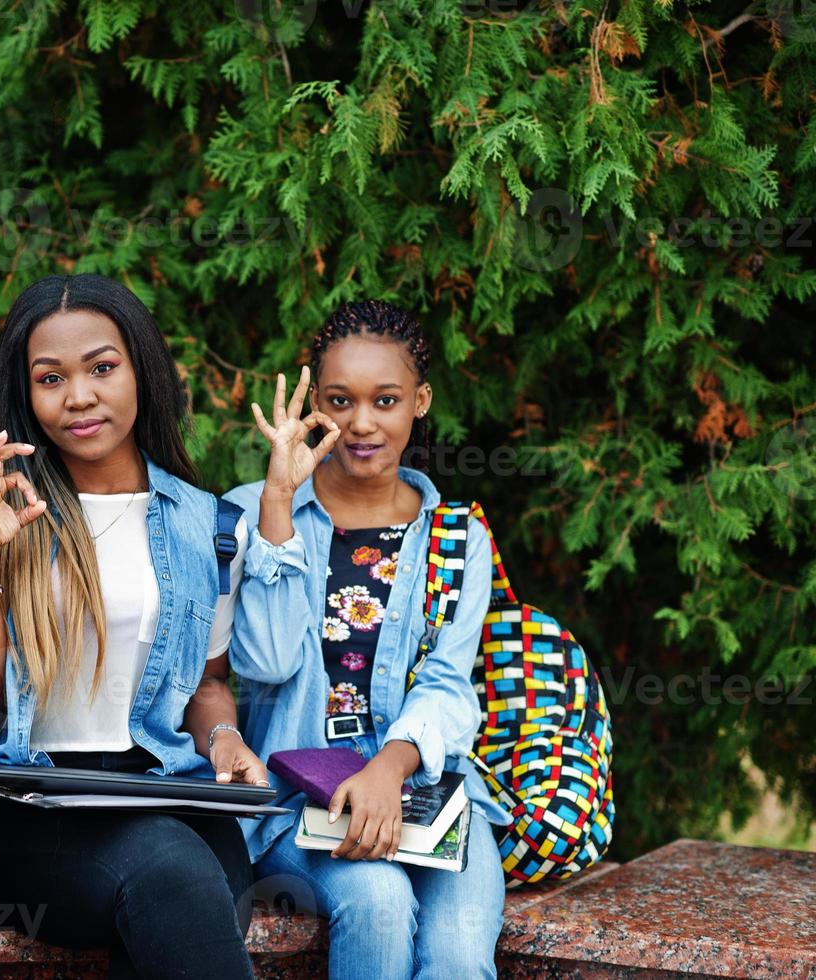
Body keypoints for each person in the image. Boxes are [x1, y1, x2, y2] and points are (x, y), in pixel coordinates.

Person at [0, 274, 267, 979]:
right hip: (34, 808)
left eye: (101, 368)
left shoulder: (204, 524)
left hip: (169, 790)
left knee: (180, 886)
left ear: (139, 371)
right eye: (50, 378)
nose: (78, 396)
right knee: (171, 874)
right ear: (25, 395)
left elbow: (205, 682)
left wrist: (225, 736)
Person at [226, 300, 511, 980]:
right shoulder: (249, 513)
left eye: (384, 400)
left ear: (419, 401)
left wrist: (387, 768)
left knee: (459, 955)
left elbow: (446, 683)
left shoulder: (457, 539)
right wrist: (275, 508)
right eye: (337, 401)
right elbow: (263, 663)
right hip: (298, 801)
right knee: (378, 903)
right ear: (313, 404)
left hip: (424, 794)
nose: (360, 423)